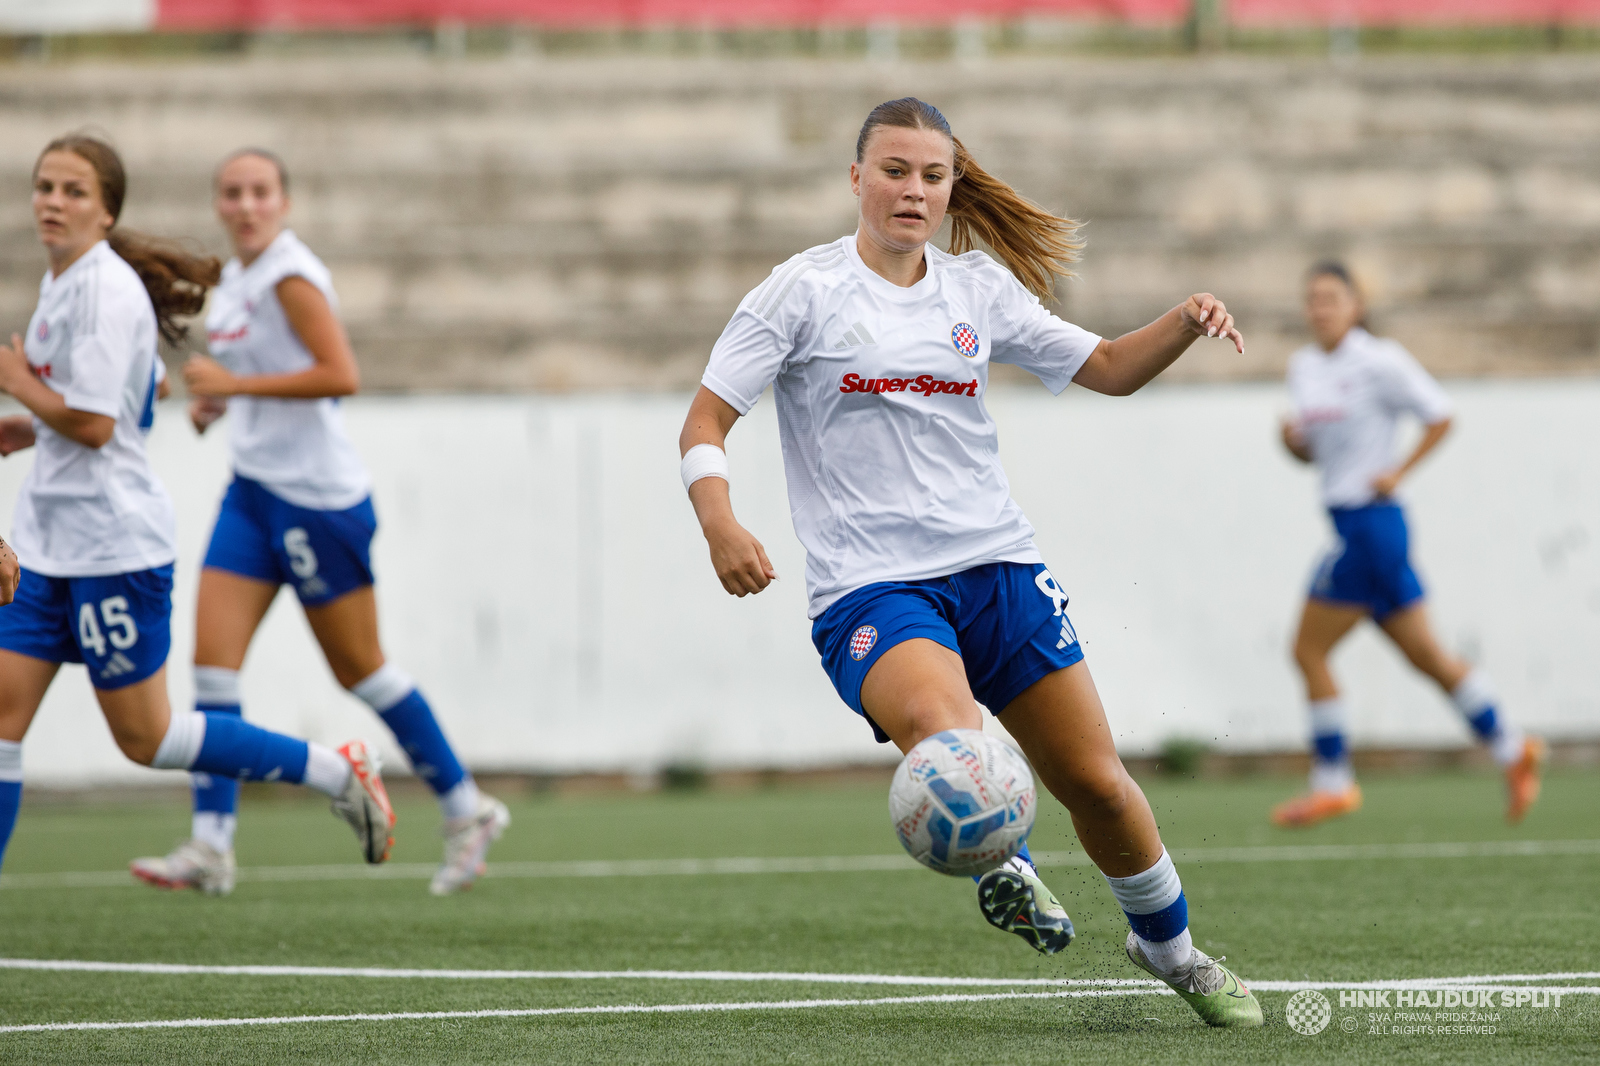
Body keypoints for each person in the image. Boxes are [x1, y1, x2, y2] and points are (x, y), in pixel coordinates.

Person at [677, 98, 1262, 1027]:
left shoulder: (976, 290)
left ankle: (1176, 954)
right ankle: (1011, 864)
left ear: (952, 186)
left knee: (1099, 786)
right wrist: (721, 523)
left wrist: (1185, 320)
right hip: (874, 587)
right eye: (895, 170)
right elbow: (705, 422)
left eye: (933, 174)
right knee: (954, 744)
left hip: (997, 568)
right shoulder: (801, 291)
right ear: (857, 178)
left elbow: (1106, 366)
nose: (914, 190)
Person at [0, 135, 396, 875]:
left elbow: (93, 424)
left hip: (112, 545)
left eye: (74, 191)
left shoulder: (106, 290)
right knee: (1, 720)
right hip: (45, 545)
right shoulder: (64, 281)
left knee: (147, 740)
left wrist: (24, 390)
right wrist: (31, 427)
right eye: (44, 187)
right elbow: (145, 388)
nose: (53, 202)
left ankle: (336, 770)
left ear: (107, 211)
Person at [128, 149, 507, 898]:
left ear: (284, 202)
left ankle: (467, 808)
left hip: (318, 501)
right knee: (210, 662)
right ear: (218, 204)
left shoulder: (291, 275)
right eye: (231, 193)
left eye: (260, 192)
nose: (245, 205)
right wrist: (224, 403)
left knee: (360, 668)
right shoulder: (237, 281)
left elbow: (341, 375)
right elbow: (269, 377)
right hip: (254, 492)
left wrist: (238, 383)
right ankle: (212, 844)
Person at [1274, 262, 1544, 827]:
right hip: (1354, 526)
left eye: (1331, 297)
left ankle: (1333, 782)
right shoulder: (1303, 368)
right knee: (1429, 657)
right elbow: (1317, 456)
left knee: (1308, 649)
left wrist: (1399, 471)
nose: (1320, 308)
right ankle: (1511, 748)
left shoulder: (1379, 360)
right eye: (1313, 299)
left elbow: (1441, 416)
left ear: (1356, 305)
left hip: (1372, 526)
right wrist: (1293, 444)